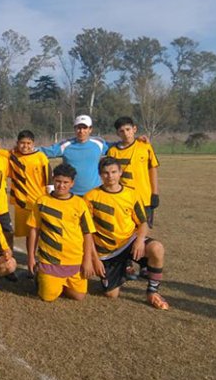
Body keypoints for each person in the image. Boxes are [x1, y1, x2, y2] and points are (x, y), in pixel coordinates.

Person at [85, 158, 169, 309]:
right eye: (105, 173)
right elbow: (88, 232)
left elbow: (143, 222)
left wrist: (139, 240)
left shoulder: (131, 194)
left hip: (129, 242)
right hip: (107, 251)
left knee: (157, 248)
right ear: (100, 174)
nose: (110, 176)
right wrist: (95, 258)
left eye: (113, 172)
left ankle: (152, 291)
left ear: (120, 173)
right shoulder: (90, 197)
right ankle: (121, 270)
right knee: (111, 295)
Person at [26, 163, 97, 302]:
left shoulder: (79, 203)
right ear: (53, 180)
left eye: (66, 182)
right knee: (48, 297)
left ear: (72, 183)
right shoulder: (42, 201)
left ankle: (59, 282)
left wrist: (87, 260)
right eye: (58, 181)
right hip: (50, 259)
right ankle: (42, 277)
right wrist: (31, 257)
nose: (61, 185)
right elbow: (34, 229)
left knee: (79, 296)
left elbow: (87, 233)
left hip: (74, 258)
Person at [107, 117, 160, 227]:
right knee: (126, 230)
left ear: (134, 129)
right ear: (117, 133)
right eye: (121, 131)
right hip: (123, 199)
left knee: (143, 231)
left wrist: (155, 193)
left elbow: (152, 169)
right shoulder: (113, 152)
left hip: (144, 198)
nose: (126, 133)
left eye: (128, 129)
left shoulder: (145, 147)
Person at [39, 115, 107, 196]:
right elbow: (47, 151)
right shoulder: (66, 145)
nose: (81, 131)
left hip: (94, 193)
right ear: (74, 129)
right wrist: (26, 148)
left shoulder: (99, 144)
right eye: (78, 128)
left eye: (84, 128)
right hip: (71, 194)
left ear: (90, 129)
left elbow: (116, 148)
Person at [9, 130, 51, 239]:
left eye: (28, 143)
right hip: (21, 202)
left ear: (33, 143)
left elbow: (49, 179)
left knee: (41, 231)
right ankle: (30, 256)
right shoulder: (13, 156)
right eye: (22, 143)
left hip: (39, 200)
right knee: (29, 233)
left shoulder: (40, 157)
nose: (25, 146)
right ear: (17, 143)